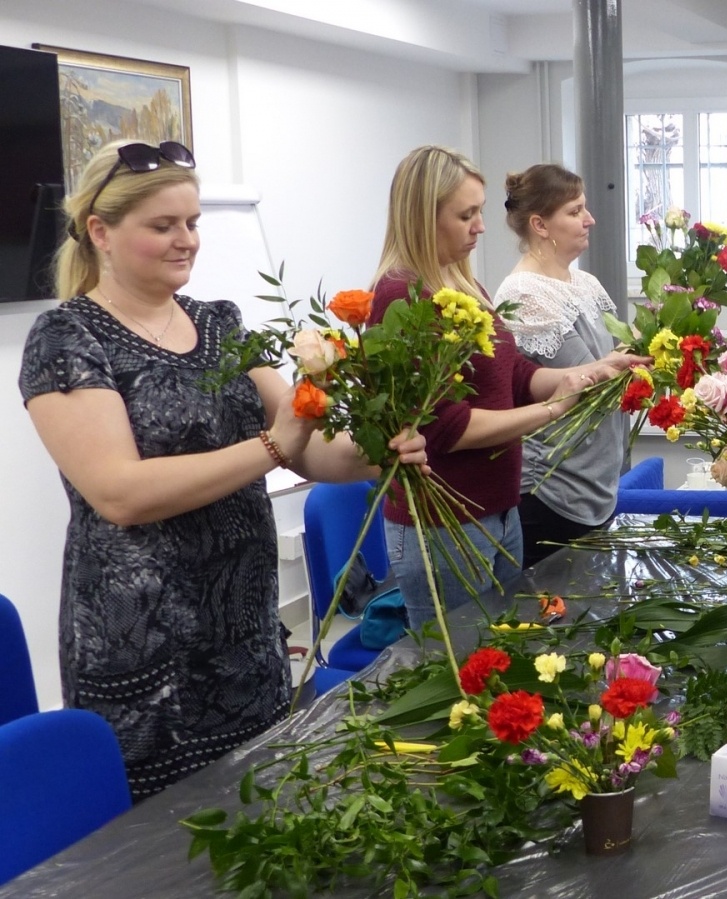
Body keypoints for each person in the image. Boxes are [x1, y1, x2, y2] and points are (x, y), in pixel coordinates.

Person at [18, 140, 427, 800]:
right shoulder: (67, 337)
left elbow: (313, 449)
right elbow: (119, 492)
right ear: (101, 232)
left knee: (262, 812)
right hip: (146, 655)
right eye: (163, 226)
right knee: (164, 849)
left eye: (193, 222)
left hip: (244, 636)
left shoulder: (219, 324)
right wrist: (272, 445)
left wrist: (381, 446)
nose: (187, 240)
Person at [369, 146, 645, 627]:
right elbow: (445, 429)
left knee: (504, 654)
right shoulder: (401, 295)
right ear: (421, 216)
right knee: (457, 667)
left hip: (498, 509)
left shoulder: (459, 280)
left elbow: (513, 373)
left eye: (478, 211)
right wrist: (556, 408)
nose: (481, 225)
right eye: (466, 214)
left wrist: (581, 375)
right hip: (447, 525)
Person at [496, 164, 624, 566]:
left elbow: (621, 361)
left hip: (596, 486)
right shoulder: (524, 294)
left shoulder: (585, 283)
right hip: (553, 491)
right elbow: (595, 385)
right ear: (540, 224)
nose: (590, 220)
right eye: (575, 211)